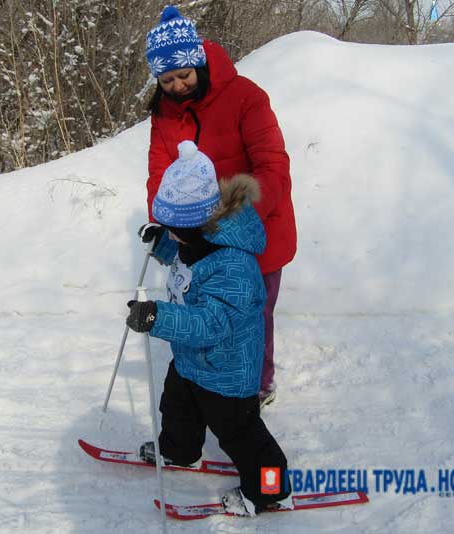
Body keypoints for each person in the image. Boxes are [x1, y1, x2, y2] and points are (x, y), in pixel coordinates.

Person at [126, 141, 292, 515]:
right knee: (177, 406)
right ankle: (180, 451)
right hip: (191, 359)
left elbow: (211, 323)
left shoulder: (234, 265)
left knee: (241, 435)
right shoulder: (198, 238)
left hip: (227, 370)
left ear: (198, 224)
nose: (172, 236)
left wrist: (158, 316)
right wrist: (163, 246)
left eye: (173, 231)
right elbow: (188, 261)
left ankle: (272, 488)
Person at [144, 5, 297, 408]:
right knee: (201, 312)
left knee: (251, 315)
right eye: (167, 79)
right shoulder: (163, 113)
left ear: (200, 65)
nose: (177, 86)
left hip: (254, 230)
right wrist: (163, 220)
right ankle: (205, 385)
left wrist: (231, 222)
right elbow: (160, 171)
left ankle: (257, 385)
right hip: (196, 233)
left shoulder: (245, 96)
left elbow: (273, 165)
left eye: (184, 75)